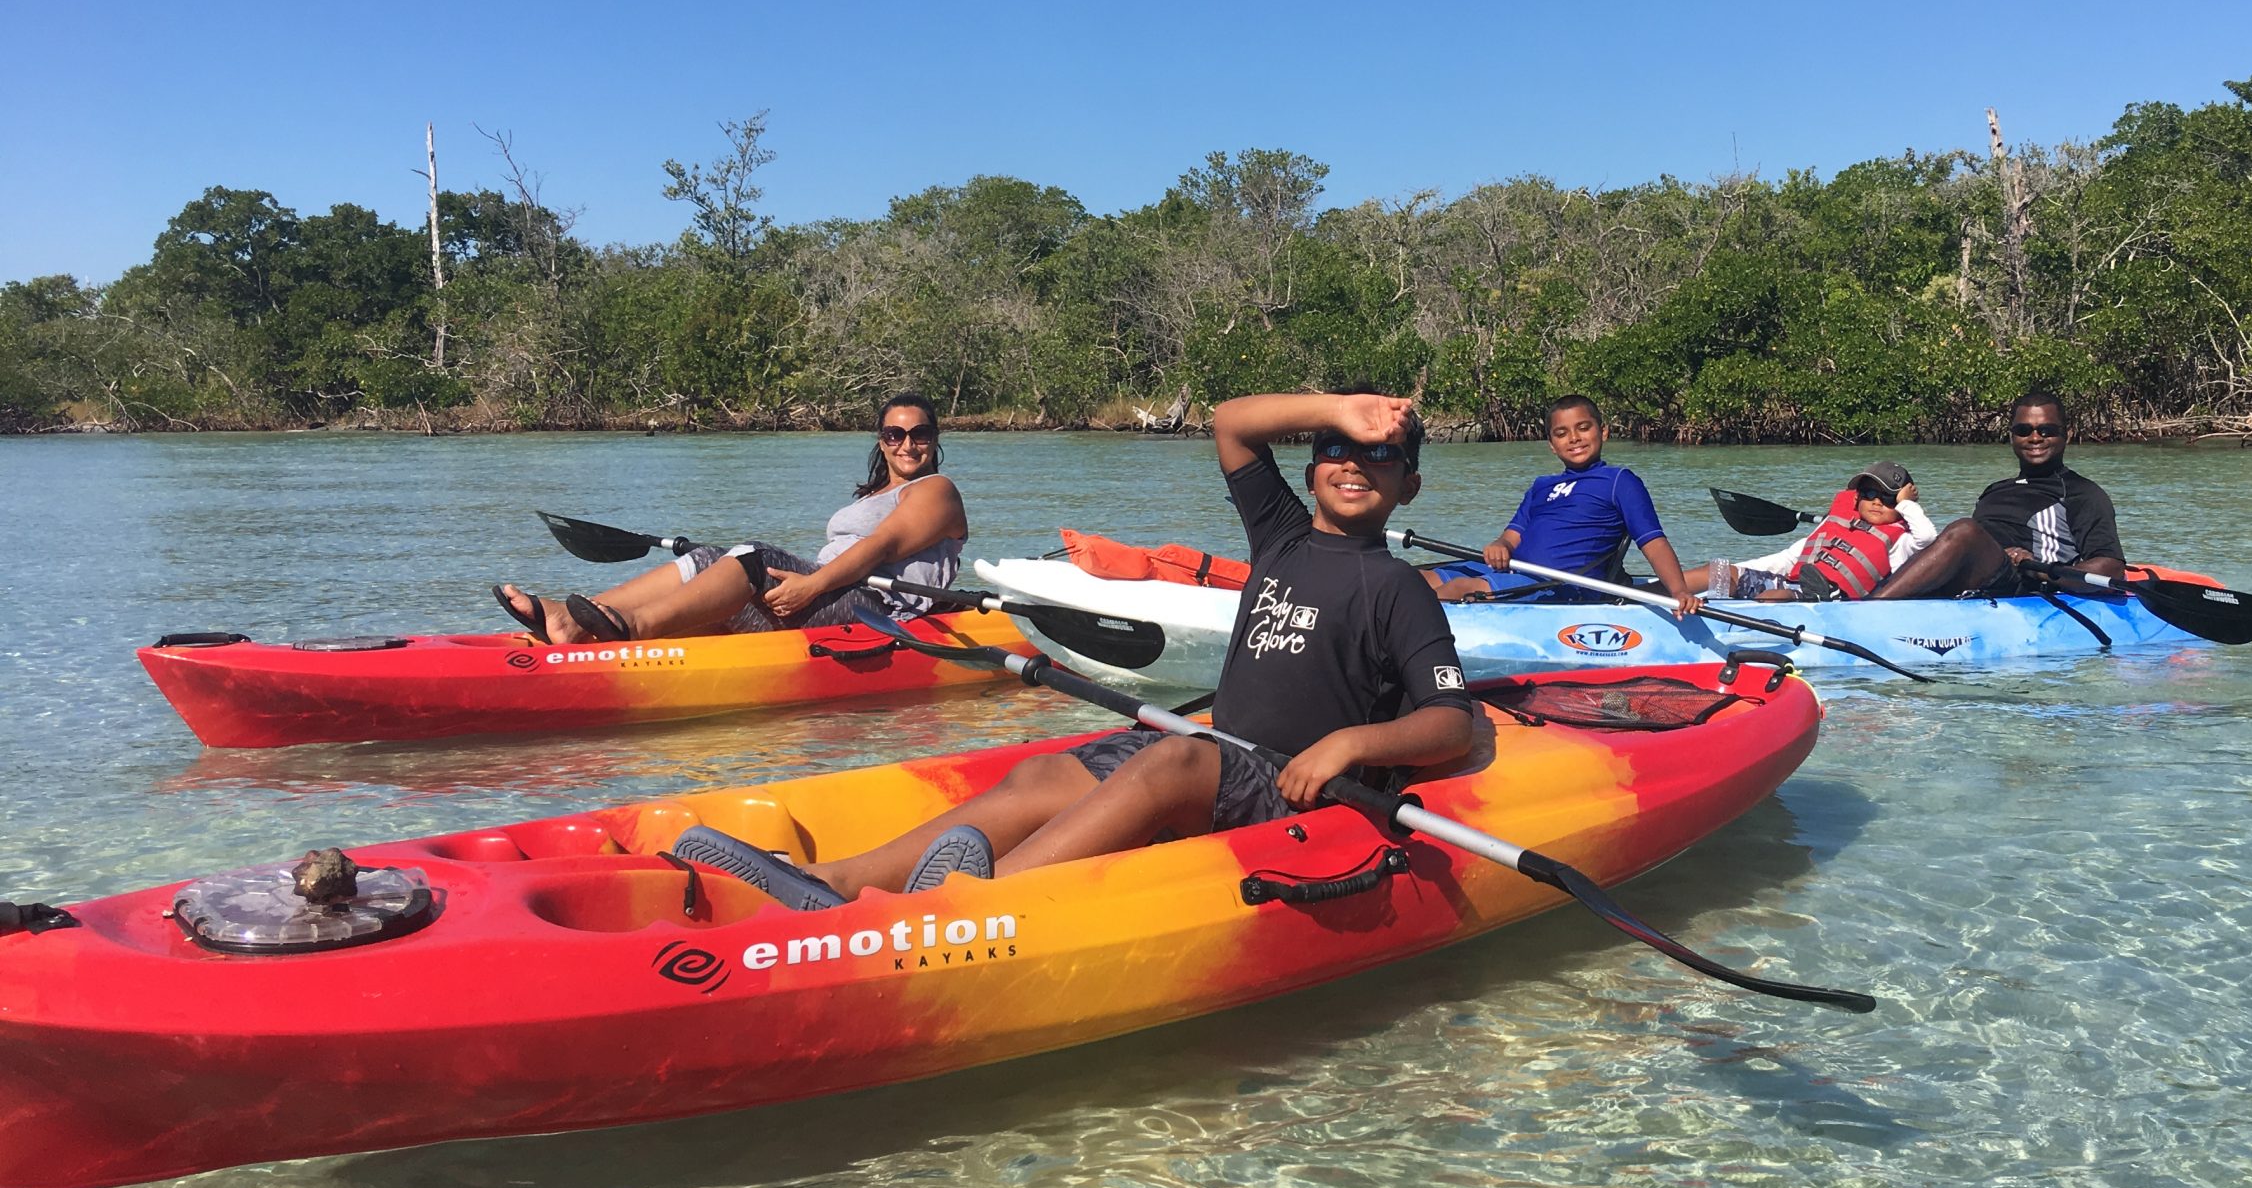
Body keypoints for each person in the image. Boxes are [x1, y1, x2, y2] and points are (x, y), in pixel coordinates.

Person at [674, 386, 1479, 905]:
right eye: (1336, 452)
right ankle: (831, 881)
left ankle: (965, 908)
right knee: (1049, 768)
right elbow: (1232, 421)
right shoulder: (1281, 540)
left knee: (1174, 754)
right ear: (1310, 473)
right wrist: (1340, 409)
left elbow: (1449, 719)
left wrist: (1349, 744)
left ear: (1408, 486)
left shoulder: (1398, 589)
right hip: (1224, 753)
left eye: (1381, 458)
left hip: (1287, 790)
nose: (1353, 464)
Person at [490, 393, 966, 647]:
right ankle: (575, 619)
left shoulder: (936, 490)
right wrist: (813, 584)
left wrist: (812, 585)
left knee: (755, 556)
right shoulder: (875, 492)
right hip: (835, 594)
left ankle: (632, 626)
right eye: (895, 433)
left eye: (920, 433)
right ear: (881, 439)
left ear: (934, 437)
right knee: (710, 556)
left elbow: (880, 549)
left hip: (879, 613)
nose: (908, 444)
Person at [1427, 394, 1701, 615]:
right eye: (1562, 433)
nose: (1574, 438)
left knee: (1458, 588)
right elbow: (1513, 535)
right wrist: (1500, 545)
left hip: (1561, 585)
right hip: (1513, 572)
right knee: (1419, 580)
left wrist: (1678, 591)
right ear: (1551, 445)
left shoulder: (1619, 481)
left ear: (1603, 431)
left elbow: (1652, 541)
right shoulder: (1541, 486)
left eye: (1583, 428)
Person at [1870, 391, 2125, 601]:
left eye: (2046, 430)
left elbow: (2110, 568)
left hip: (2021, 584)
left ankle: (1873, 607)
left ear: (2065, 435)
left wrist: (2040, 570)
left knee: (1964, 530)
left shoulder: (2082, 493)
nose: (2035, 438)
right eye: (2024, 430)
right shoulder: (1995, 490)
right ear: (2012, 436)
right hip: (1974, 576)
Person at [1681, 461, 1937, 602]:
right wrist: (1740, 569)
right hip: (1791, 581)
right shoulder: (1836, 523)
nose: (1877, 502)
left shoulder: (1900, 541)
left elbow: (1927, 537)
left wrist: (1906, 504)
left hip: (1829, 601)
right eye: (1869, 494)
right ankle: (1654, 595)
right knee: (1719, 573)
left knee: (1772, 597)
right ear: (1857, 498)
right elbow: (1790, 559)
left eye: (1888, 498)